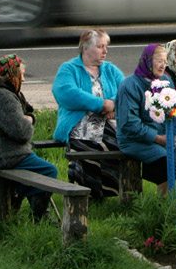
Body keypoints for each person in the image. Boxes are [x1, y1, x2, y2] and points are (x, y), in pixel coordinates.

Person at [0, 54, 58, 222]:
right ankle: (39, 217)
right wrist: (30, 119)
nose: (23, 79)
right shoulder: (2, 96)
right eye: (21, 74)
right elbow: (23, 133)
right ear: (12, 75)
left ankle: (18, 209)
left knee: (33, 168)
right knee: (48, 171)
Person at [52, 29, 126, 199]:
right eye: (100, 47)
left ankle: (110, 193)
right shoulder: (69, 69)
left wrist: (113, 105)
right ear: (85, 48)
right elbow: (66, 93)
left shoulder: (111, 70)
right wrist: (101, 104)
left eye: (106, 47)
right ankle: (86, 194)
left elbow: (125, 91)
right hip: (79, 123)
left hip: (108, 122)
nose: (105, 51)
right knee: (89, 148)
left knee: (121, 144)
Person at [116, 44, 174, 194]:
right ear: (147, 61)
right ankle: (163, 208)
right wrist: (158, 138)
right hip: (134, 140)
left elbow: (173, 111)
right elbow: (129, 124)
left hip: (162, 138)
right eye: (159, 61)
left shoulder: (167, 82)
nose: (163, 66)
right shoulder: (130, 85)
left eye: (165, 62)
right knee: (166, 162)